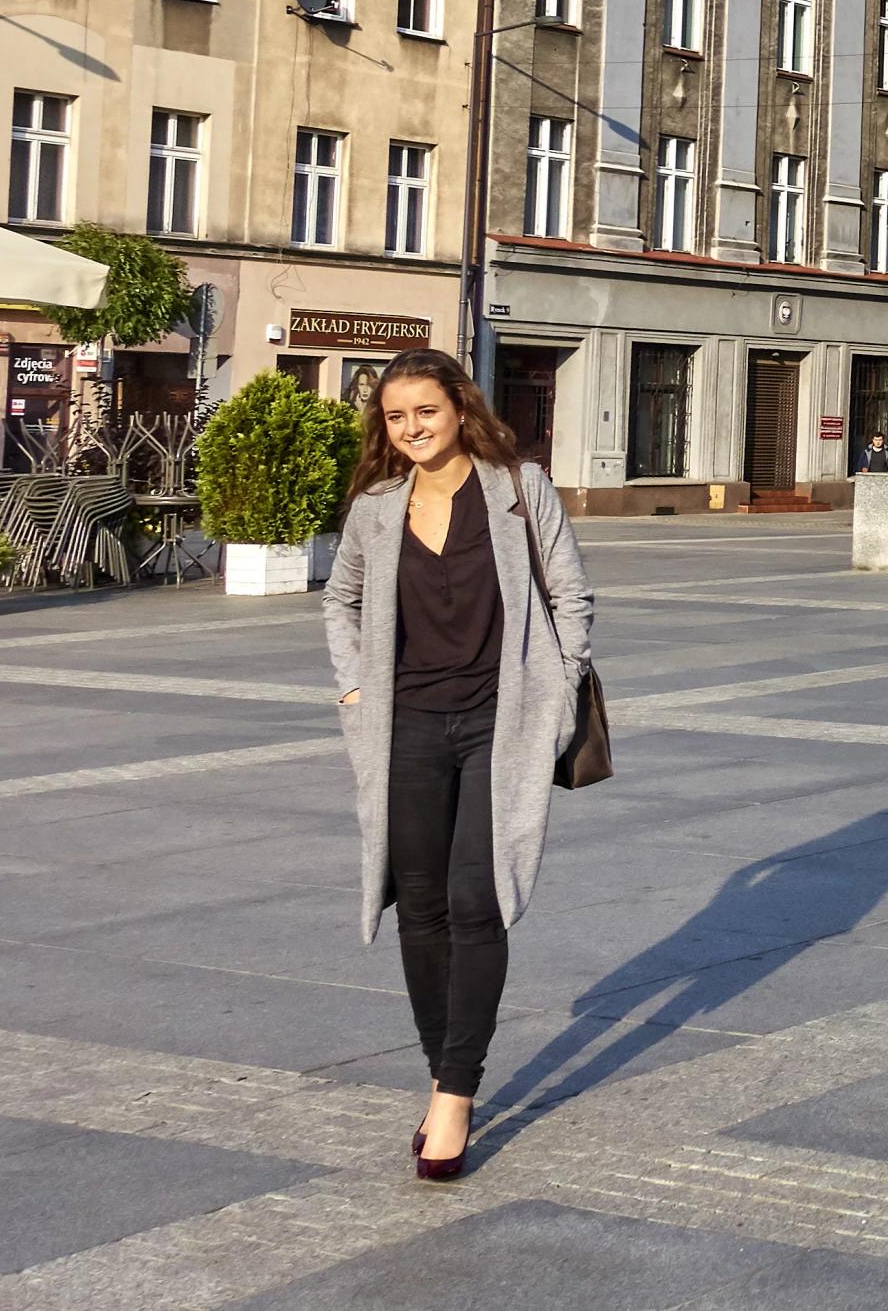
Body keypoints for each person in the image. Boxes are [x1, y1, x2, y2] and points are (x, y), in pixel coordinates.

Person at [322, 350, 592, 1184]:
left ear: (459, 407)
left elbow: (571, 597)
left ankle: (456, 1095)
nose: (412, 428)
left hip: (499, 725)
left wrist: (558, 692)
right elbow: (340, 599)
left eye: (426, 411)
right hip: (404, 727)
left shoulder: (519, 488)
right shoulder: (376, 507)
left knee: (477, 901)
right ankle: (443, 1073)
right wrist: (356, 685)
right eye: (396, 416)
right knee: (421, 906)